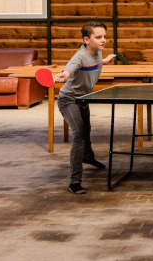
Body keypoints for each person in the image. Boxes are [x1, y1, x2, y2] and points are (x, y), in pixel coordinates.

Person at [55, 21, 116, 194]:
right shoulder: (79, 56)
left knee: (86, 130)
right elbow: (71, 68)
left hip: (83, 98)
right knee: (79, 135)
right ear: (86, 39)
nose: (103, 40)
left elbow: (94, 61)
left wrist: (105, 60)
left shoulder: (98, 51)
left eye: (104, 36)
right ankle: (74, 182)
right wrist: (65, 74)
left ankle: (88, 157)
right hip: (69, 100)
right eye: (98, 37)